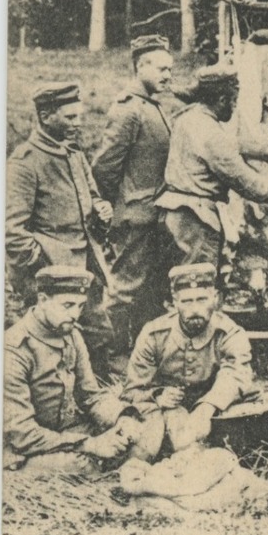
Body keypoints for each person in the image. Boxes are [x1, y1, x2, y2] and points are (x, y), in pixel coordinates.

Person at [6, 82, 116, 362]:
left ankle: (97, 395)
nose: (77, 123)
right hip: (50, 274)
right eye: (70, 117)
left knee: (99, 335)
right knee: (54, 346)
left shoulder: (74, 153)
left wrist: (101, 210)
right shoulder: (25, 163)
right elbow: (11, 232)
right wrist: (45, 269)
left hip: (87, 263)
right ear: (45, 117)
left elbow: (92, 198)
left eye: (79, 116)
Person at [91, 34, 176, 368]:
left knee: (151, 290)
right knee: (124, 290)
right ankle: (107, 358)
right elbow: (104, 167)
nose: (168, 75)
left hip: (154, 216)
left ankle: (142, 356)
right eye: (161, 68)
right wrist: (121, 207)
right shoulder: (128, 109)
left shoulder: (153, 106)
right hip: (135, 216)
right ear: (141, 66)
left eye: (170, 68)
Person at [3, 267, 138, 475]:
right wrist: (89, 444)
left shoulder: (70, 333)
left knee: (136, 437)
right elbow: (22, 434)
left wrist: (121, 417)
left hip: (66, 432)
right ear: (43, 299)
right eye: (67, 305)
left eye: (81, 306)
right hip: (24, 447)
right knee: (82, 464)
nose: (75, 314)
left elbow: (91, 396)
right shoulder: (13, 349)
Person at [120, 264, 260, 463]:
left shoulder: (229, 332)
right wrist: (157, 395)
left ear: (215, 299)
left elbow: (237, 373)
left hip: (219, 409)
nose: (195, 309)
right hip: (171, 413)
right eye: (187, 301)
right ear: (175, 303)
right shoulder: (154, 334)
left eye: (202, 299)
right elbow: (131, 391)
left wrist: (207, 407)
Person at [155, 65, 268, 271]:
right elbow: (241, 178)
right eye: (233, 101)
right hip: (196, 220)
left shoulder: (188, 118)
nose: (234, 108)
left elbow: (230, 145)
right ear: (222, 100)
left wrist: (266, 151)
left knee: (182, 285)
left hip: (174, 213)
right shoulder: (211, 132)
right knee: (198, 286)